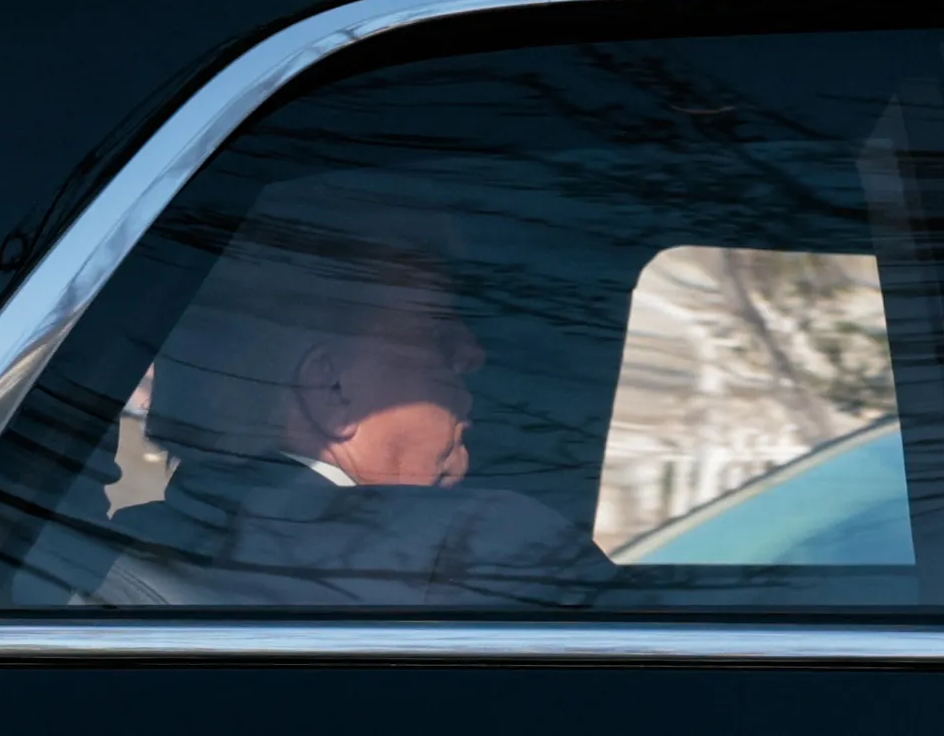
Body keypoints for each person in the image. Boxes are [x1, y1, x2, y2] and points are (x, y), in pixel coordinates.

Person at [94, 216, 616, 608]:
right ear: (331, 389)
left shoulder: (106, 554)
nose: (473, 353)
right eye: (435, 330)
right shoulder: (478, 546)